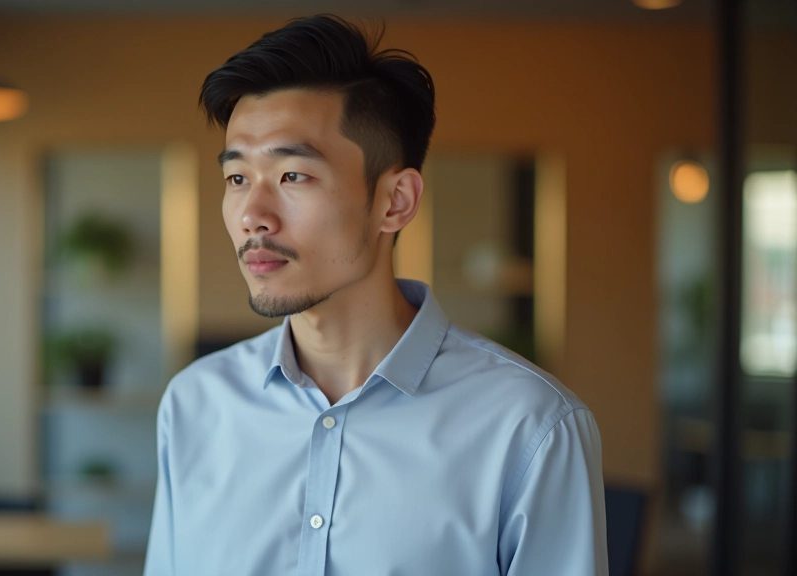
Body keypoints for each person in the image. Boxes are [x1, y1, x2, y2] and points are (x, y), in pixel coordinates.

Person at [144, 14, 607, 576]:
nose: (252, 217)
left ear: (395, 201)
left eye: (293, 176)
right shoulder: (195, 406)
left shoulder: (530, 427)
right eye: (237, 178)